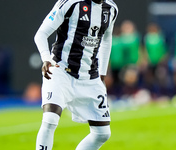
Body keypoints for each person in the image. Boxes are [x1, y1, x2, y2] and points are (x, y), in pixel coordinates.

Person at [34, 0, 118, 149]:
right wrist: (46, 58)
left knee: (102, 133)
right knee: (50, 119)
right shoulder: (70, 3)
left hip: (90, 77)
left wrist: (102, 72)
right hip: (60, 70)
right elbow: (41, 34)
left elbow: (107, 39)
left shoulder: (111, 9)